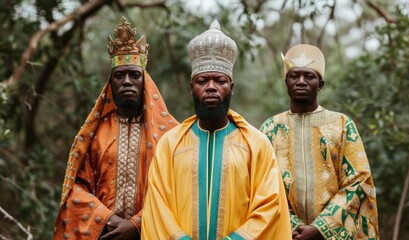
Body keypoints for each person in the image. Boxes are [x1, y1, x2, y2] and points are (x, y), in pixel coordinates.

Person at [141, 20, 292, 239]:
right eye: (202, 80)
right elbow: (157, 206)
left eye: (219, 80)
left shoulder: (257, 144)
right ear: (191, 89)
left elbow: (270, 205)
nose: (211, 86)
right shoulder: (169, 144)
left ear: (231, 88)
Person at [52, 16, 178, 240]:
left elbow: (180, 188)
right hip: (104, 235)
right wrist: (108, 219)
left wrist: (137, 224)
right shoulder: (95, 134)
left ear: (145, 82)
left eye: (134, 75)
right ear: (110, 84)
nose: (127, 81)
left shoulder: (170, 134)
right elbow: (77, 188)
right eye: (119, 75)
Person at [260, 44, 379, 239]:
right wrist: (292, 226)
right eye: (294, 76)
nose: (301, 81)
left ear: (320, 84)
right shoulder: (270, 129)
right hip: (284, 232)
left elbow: (359, 179)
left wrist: (321, 228)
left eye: (309, 76)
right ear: (286, 81)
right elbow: (262, 184)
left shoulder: (341, 124)